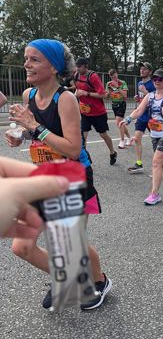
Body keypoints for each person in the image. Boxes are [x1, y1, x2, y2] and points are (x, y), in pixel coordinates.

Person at [6, 39, 112, 310]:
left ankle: (99, 281)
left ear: (53, 67)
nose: (26, 64)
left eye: (34, 59)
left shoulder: (66, 99)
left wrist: (34, 127)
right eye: (26, 58)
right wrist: (20, 134)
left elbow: (74, 149)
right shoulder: (29, 95)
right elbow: (33, 131)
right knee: (22, 247)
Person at [122, 68, 163, 204]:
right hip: (155, 133)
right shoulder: (149, 96)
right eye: (155, 79)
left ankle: (154, 194)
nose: (157, 81)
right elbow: (138, 110)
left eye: (160, 79)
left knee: (156, 162)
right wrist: (128, 119)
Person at [0, 156, 70, 238]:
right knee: (21, 247)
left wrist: (43, 141)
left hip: (67, 178)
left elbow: (74, 152)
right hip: (40, 175)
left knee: (68, 236)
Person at [128, 62, 155, 173]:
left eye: (144, 69)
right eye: (141, 69)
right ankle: (139, 164)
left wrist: (145, 92)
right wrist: (138, 98)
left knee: (156, 142)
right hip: (141, 115)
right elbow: (143, 100)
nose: (142, 71)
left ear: (150, 71)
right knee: (137, 138)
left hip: (152, 116)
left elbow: (155, 100)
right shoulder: (139, 83)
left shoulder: (154, 83)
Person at [106, 69, 131, 149]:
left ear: (117, 74)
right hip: (114, 104)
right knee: (121, 123)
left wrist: (117, 87)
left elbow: (125, 95)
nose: (114, 79)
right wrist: (109, 92)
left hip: (121, 104)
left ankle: (122, 141)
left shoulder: (122, 83)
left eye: (115, 76)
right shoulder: (108, 84)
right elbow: (106, 97)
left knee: (118, 122)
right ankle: (129, 138)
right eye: (112, 77)